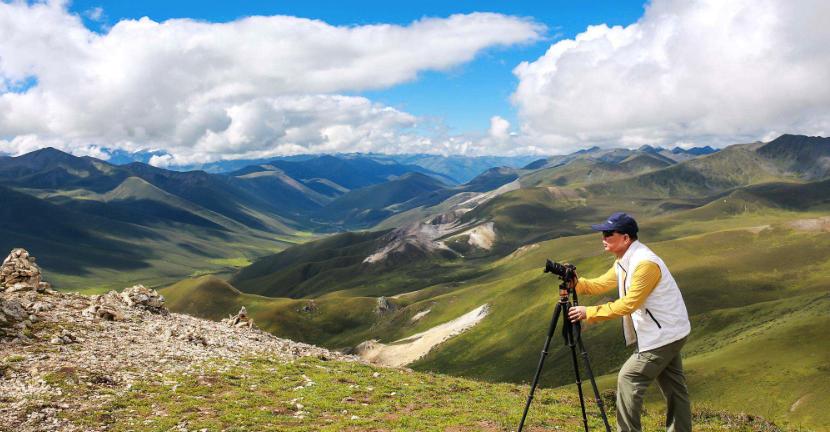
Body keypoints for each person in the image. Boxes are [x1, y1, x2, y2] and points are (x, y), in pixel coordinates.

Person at [567, 212, 691, 432]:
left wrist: (589, 313)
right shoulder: (625, 260)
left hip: (663, 335)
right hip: (670, 331)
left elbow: (629, 304)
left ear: (625, 238)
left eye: (608, 234)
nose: (603, 238)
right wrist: (577, 283)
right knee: (674, 388)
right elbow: (601, 284)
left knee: (628, 378)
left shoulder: (644, 264)